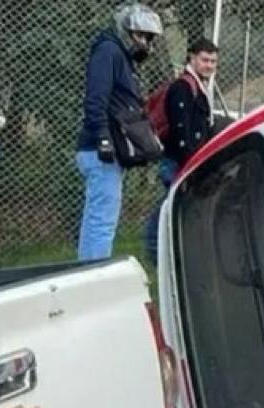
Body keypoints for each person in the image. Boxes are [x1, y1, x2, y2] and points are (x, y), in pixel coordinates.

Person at [76, 3, 164, 262]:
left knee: (98, 219)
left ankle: (86, 273)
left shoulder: (119, 57)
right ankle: (92, 278)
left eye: (148, 38)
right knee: (101, 222)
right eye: (141, 36)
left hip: (106, 149)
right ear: (126, 30)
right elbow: (95, 99)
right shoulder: (108, 51)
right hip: (100, 149)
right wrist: (103, 137)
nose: (145, 44)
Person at [144, 38, 219, 265]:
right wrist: (190, 161)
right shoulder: (183, 87)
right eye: (205, 60)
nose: (209, 66)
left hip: (185, 160)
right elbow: (181, 129)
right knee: (171, 206)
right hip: (179, 161)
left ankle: (166, 253)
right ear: (192, 58)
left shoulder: (197, 86)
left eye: (213, 61)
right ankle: (154, 249)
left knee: (176, 205)